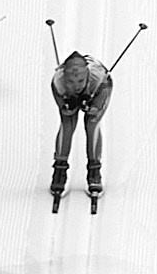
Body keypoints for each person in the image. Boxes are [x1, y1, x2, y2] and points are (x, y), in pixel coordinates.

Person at [48, 49, 113, 213]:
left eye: (80, 80)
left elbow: (100, 98)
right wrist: (67, 105)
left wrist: (92, 106)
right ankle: (59, 170)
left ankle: (94, 171)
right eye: (71, 81)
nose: (75, 85)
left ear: (87, 76)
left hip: (99, 90)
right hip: (69, 95)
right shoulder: (58, 83)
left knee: (92, 124)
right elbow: (64, 108)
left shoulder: (99, 79)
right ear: (65, 77)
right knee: (67, 124)